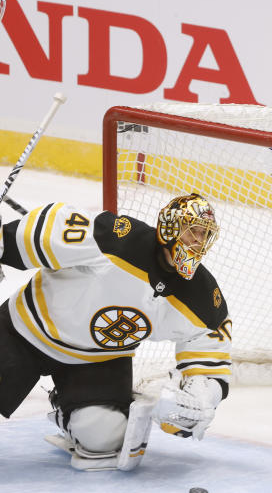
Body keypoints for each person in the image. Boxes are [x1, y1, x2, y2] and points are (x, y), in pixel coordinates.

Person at [0, 193, 231, 471]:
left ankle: (68, 412)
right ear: (169, 227)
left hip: (98, 360)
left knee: (103, 438)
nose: (197, 241)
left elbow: (210, 356)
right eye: (190, 231)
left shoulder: (201, 295)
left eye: (204, 234)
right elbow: (49, 228)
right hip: (25, 333)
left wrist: (204, 397)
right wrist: (4, 241)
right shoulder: (115, 239)